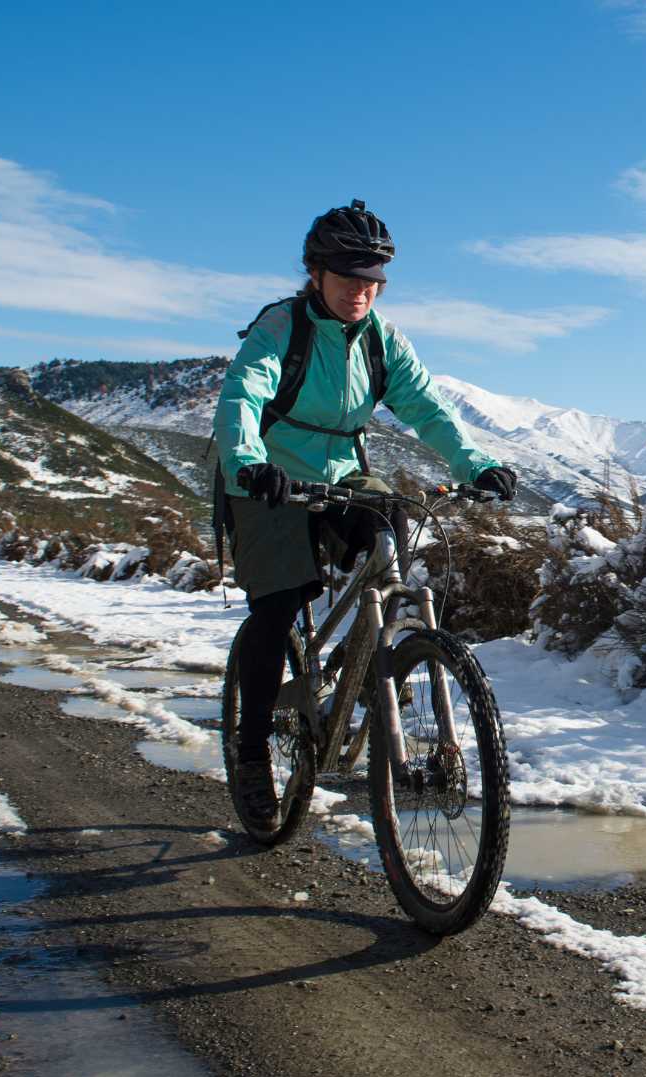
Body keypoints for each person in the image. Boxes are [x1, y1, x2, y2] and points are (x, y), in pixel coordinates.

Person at [212, 199, 517, 819]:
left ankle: (375, 664)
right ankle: (251, 755)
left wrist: (475, 465)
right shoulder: (282, 327)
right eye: (348, 277)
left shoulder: (382, 339)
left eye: (373, 280)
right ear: (315, 273)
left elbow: (429, 408)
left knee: (391, 525)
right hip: (267, 478)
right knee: (277, 604)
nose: (361, 291)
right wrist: (247, 461)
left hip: (343, 474)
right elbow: (243, 394)